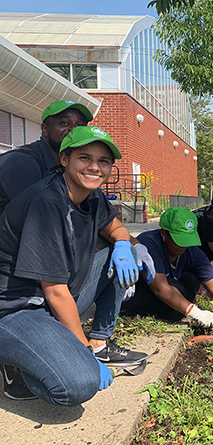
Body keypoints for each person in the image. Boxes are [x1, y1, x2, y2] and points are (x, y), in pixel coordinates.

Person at [0, 126, 147, 405]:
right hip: (16, 307)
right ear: (64, 160)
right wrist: (82, 354)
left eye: (103, 161)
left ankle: (100, 344)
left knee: (123, 254)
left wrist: (124, 245)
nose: (94, 167)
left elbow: (116, 227)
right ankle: (21, 360)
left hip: (50, 298)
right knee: (80, 384)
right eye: (85, 158)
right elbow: (55, 291)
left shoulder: (91, 195)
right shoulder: (47, 203)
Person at [120, 208, 213, 330]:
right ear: (164, 233)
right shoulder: (149, 245)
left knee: (192, 279)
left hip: (165, 287)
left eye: (187, 240)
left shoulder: (191, 252)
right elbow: (160, 288)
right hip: (136, 294)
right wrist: (195, 312)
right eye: (179, 241)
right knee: (177, 290)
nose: (183, 246)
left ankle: (176, 308)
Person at [0, 100, 93, 215]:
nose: (73, 129)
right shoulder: (20, 163)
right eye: (64, 123)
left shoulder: (70, 165)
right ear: (45, 129)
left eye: (80, 125)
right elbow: (41, 216)